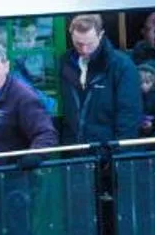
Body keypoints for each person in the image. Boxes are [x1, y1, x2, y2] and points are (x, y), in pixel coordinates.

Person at [56, 13, 142, 145]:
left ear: (101, 35)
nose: (84, 50)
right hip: (74, 152)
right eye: (79, 44)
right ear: (71, 34)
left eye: (89, 44)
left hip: (107, 154)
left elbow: (129, 117)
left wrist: (118, 156)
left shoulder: (122, 66)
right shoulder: (65, 63)